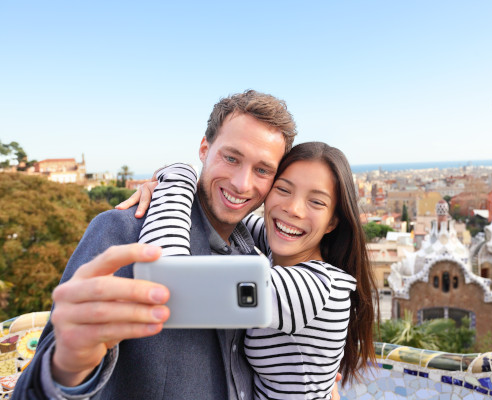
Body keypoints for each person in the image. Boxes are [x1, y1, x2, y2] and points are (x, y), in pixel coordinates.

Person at [11, 90, 300, 400]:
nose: (242, 184)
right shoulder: (124, 232)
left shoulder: (259, 254)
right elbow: (38, 385)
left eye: (262, 170)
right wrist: (68, 366)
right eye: (231, 158)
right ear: (204, 149)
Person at [132, 142, 378, 399]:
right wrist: (160, 189)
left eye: (316, 202)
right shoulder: (282, 252)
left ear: (332, 222)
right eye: (283, 189)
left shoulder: (313, 288)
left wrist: (177, 176)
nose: (293, 209)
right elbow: (222, 210)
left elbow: (170, 288)